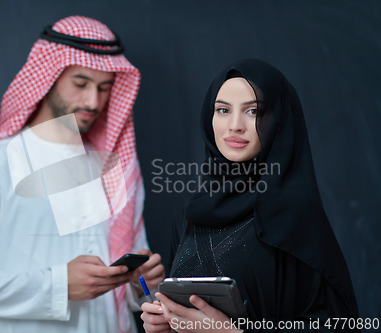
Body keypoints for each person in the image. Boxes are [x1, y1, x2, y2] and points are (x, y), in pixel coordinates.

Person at [0, 16, 164, 333]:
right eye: (81, 83)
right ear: (48, 77)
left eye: (104, 88)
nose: (93, 101)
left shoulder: (117, 170)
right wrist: (59, 286)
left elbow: (133, 292)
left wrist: (144, 281)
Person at [141, 59, 359, 332]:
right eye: (222, 110)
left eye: (253, 111)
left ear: (278, 120)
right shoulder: (189, 214)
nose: (235, 125)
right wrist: (162, 324)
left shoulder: (294, 217)